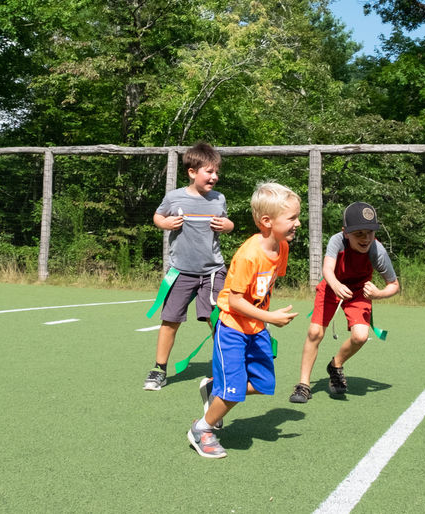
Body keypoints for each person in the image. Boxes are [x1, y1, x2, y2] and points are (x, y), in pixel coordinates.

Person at [187, 181, 301, 458]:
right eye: (292, 218)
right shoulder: (249, 255)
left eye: (298, 217)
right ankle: (201, 430)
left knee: (263, 384)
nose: (298, 223)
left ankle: (216, 389)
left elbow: (264, 289)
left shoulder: (282, 248)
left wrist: (263, 320)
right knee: (235, 389)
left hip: (256, 328)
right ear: (266, 221)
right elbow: (236, 301)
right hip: (232, 328)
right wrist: (270, 317)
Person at [143, 142, 234, 391]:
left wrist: (229, 226)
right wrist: (165, 223)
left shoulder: (219, 199)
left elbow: (227, 222)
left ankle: (224, 368)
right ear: (192, 172)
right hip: (181, 271)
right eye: (209, 171)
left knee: (219, 321)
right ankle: (159, 370)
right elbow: (157, 216)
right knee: (170, 320)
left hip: (213, 272)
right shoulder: (174, 197)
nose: (214, 177)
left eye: (217, 172)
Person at [289, 202, 399, 403]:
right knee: (315, 333)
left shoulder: (377, 250)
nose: (365, 238)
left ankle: (336, 365)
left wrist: (378, 293)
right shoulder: (337, 241)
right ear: (346, 232)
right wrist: (336, 284)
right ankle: (303, 385)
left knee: (360, 336)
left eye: (370, 233)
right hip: (332, 286)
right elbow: (327, 270)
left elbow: (394, 284)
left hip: (359, 292)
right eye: (359, 234)